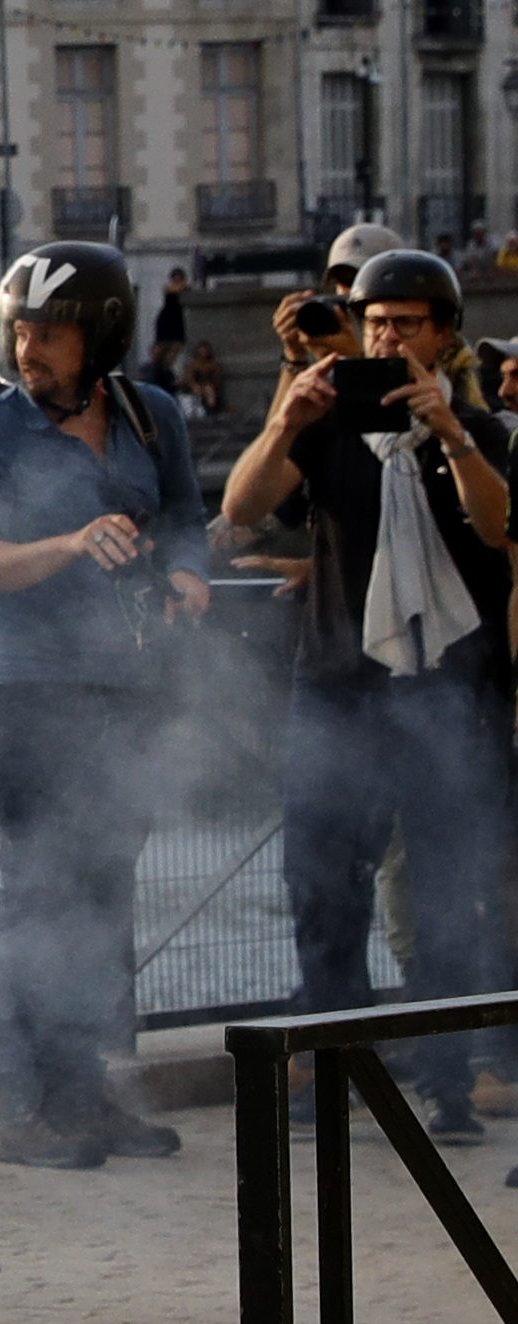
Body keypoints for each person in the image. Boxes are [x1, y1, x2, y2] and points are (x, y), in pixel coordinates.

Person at [220, 247, 514, 1141]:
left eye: (407, 325)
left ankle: (448, 1083)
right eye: (375, 323)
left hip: (446, 694)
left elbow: (500, 526)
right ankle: (330, 1073)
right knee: (321, 887)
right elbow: (240, 510)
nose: (386, 337)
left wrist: (452, 433)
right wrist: (285, 420)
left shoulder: (482, 432)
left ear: (445, 335)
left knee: (446, 891)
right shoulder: (326, 423)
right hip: (339, 688)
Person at [0, 242, 210, 1168]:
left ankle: (93, 1093)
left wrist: (186, 573)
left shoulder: (151, 415)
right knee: (37, 894)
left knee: (105, 893)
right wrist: (66, 542)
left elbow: (185, 516)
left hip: (127, 686)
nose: (29, 351)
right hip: (29, 690)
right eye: (20, 332)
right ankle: (26, 1109)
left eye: (49, 335)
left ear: (97, 338)